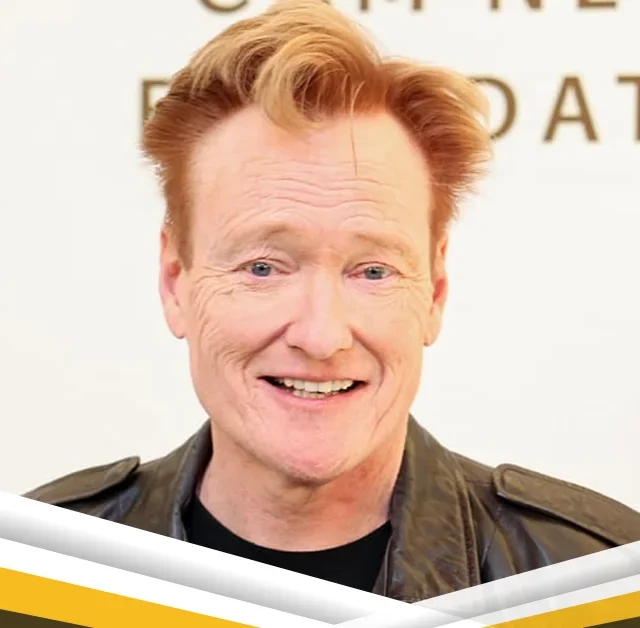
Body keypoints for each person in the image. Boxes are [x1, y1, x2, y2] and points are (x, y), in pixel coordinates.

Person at [25, 0, 639, 602]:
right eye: (263, 267)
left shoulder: (601, 583)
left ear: (434, 292)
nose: (322, 336)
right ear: (173, 280)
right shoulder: (33, 574)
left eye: (372, 271)